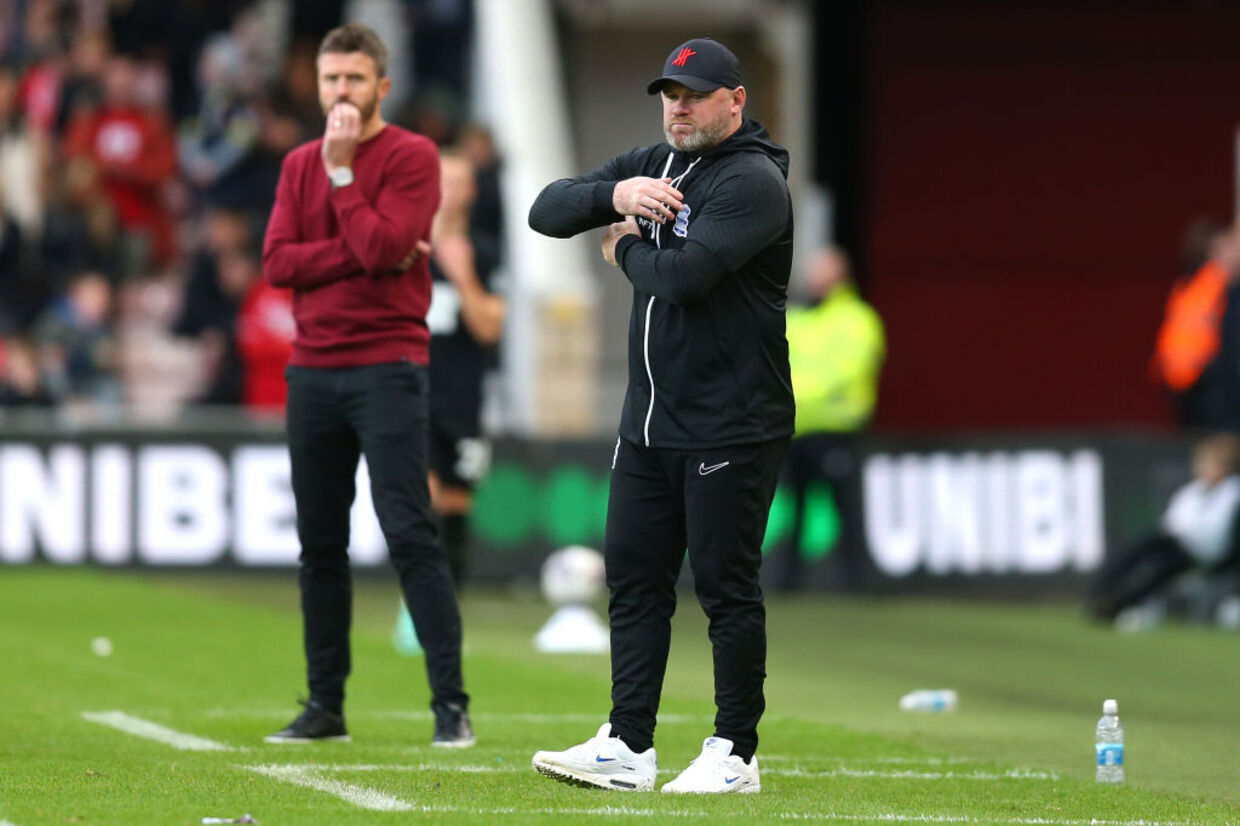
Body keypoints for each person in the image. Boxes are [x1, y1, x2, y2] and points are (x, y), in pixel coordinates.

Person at [527, 37, 794, 794]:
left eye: (695, 95)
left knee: (724, 587)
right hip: (648, 422)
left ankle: (735, 752)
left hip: (732, 421)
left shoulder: (752, 183)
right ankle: (628, 745)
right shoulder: (657, 163)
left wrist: (621, 251)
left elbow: (681, 280)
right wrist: (616, 200)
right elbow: (545, 210)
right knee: (636, 582)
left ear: (735, 102)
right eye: (670, 94)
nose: (678, 107)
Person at [260, 22, 473, 748]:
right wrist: (363, 251)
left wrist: (346, 174)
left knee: (410, 531)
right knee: (320, 546)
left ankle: (450, 704)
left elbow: (387, 248)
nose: (340, 93)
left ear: (382, 86)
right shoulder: (296, 166)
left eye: (354, 79)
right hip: (313, 370)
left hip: (388, 366)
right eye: (330, 80)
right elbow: (278, 263)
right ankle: (325, 705)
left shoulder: (412, 158)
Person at [778, 246, 885, 591]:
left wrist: (792, 395)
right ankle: (787, 585)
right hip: (796, 431)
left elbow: (846, 371)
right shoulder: (796, 317)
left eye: (821, 270)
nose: (813, 277)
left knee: (847, 511)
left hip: (836, 431)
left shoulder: (857, 319)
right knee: (795, 512)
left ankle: (857, 584)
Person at [426, 150, 505, 585]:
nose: (449, 192)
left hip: (462, 398)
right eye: (442, 180)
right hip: (409, 392)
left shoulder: (484, 252)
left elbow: (491, 328)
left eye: (459, 182)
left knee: (456, 503)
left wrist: (462, 275)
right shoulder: (403, 248)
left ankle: (446, 609)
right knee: (420, 497)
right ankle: (418, 604)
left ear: (472, 192)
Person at [1085, 433, 1240, 624]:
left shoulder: (1233, 494)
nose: (1201, 469)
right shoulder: (1192, 491)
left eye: (1208, 464)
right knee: (1140, 547)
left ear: (1224, 467)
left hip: (1206, 554)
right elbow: (1173, 521)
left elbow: (1217, 532)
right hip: (1177, 543)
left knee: (1160, 569)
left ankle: (1115, 607)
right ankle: (1100, 593)